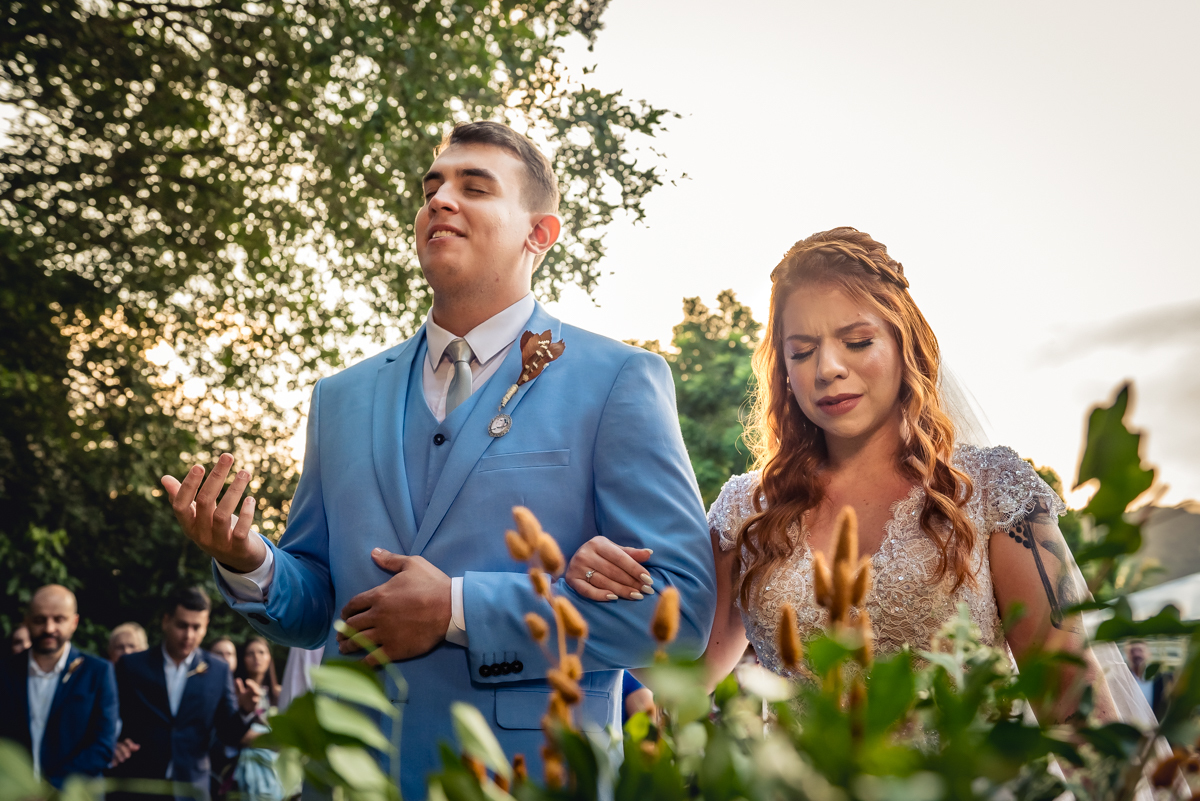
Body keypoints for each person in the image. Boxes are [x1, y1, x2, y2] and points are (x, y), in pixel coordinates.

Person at [161, 119, 717, 798]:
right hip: (351, 777)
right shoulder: (340, 397)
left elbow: (681, 614)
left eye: (474, 187)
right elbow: (319, 606)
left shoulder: (618, 380)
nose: (440, 200)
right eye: (432, 189)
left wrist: (457, 608)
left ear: (540, 233)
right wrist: (251, 561)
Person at [566, 227, 1120, 724]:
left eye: (857, 342)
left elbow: (1073, 707)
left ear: (905, 345)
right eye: (802, 351)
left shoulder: (990, 491)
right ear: (784, 370)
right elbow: (684, 683)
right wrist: (608, 583)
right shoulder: (747, 512)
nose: (828, 368)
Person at [109, 587, 259, 801]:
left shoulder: (218, 671)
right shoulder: (132, 666)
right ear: (166, 621)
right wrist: (113, 744)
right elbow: (108, 716)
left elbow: (228, 734)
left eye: (196, 627)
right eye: (182, 625)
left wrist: (244, 711)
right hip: (137, 785)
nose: (189, 635)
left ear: (206, 626)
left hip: (192, 788)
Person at [0, 585, 119, 787]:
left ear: (74, 622)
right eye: (40, 620)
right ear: (27, 621)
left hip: (74, 793)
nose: (49, 628)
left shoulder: (97, 672)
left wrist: (51, 789)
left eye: (59, 619)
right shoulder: (5, 671)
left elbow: (103, 745)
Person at [231, 636, 283, 801]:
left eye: (261, 652)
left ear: (269, 657)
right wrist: (275, 739)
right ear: (243, 659)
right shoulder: (236, 692)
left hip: (278, 763)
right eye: (250, 653)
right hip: (243, 761)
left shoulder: (280, 694)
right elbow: (237, 733)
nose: (256, 658)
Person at [1127, 640, 1169, 720]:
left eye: (1140, 650)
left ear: (1149, 654)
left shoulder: (1161, 679)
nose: (1136, 654)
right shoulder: (1123, 679)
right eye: (1133, 651)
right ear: (1127, 655)